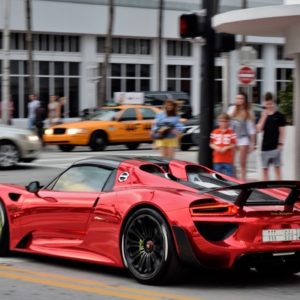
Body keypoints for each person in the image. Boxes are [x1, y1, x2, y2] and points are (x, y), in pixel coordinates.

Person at [256, 92, 286, 180]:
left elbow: (282, 132)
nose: (269, 105)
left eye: (270, 103)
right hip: (265, 147)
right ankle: (266, 192)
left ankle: (280, 191)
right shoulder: (262, 115)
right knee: (265, 173)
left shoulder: (280, 116)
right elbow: (258, 129)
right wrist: (263, 117)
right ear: (264, 103)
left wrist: (280, 144)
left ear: (273, 102)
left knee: (278, 171)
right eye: (267, 104)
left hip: (275, 147)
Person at [228, 92, 256, 181]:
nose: (239, 100)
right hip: (233, 137)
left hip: (244, 138)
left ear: (245, 100)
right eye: (238, 98)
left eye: (241, 98)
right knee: (231, 161)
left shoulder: (248, 111)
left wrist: (253, 143)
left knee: (242, 163)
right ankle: (235, 180)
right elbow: (227, 123)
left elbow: (251, 129)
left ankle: (243, 182)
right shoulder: (232, 109)